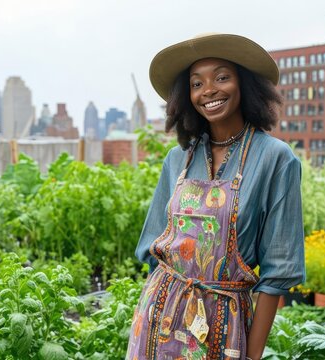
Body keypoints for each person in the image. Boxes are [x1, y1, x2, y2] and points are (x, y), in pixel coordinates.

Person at [126, 33, 305, 360]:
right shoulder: (177, 159)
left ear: (245, 84)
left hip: (225, 326)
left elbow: (279, 269)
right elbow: (154, 245)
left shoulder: (275, 159)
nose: (208, 90)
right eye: (197, 84)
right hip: (159, 315)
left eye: (221, 77)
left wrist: (252, 356)